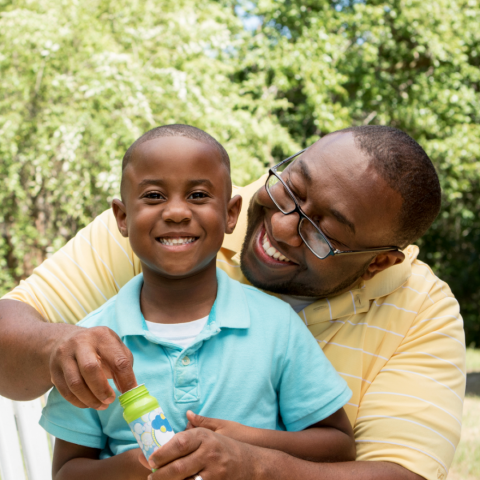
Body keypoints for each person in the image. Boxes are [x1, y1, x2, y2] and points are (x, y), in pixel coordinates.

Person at [0, 126, 465, 480]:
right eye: (291, 190)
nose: (282, 227)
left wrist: (257, 463)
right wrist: (58, 347)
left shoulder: (422, 311)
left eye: (323, 232)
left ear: (378, 262)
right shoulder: (170, 225)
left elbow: (398, 473)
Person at [39, 124, 355, 480]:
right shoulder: (91, 346)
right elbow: (67, 472)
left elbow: (338, 445)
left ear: (231, 213)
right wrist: (138, 467)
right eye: (154, 196)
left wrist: (247, 449)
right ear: (123, 218)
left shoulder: (276, 325)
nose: (176, 212)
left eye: (199, 196)